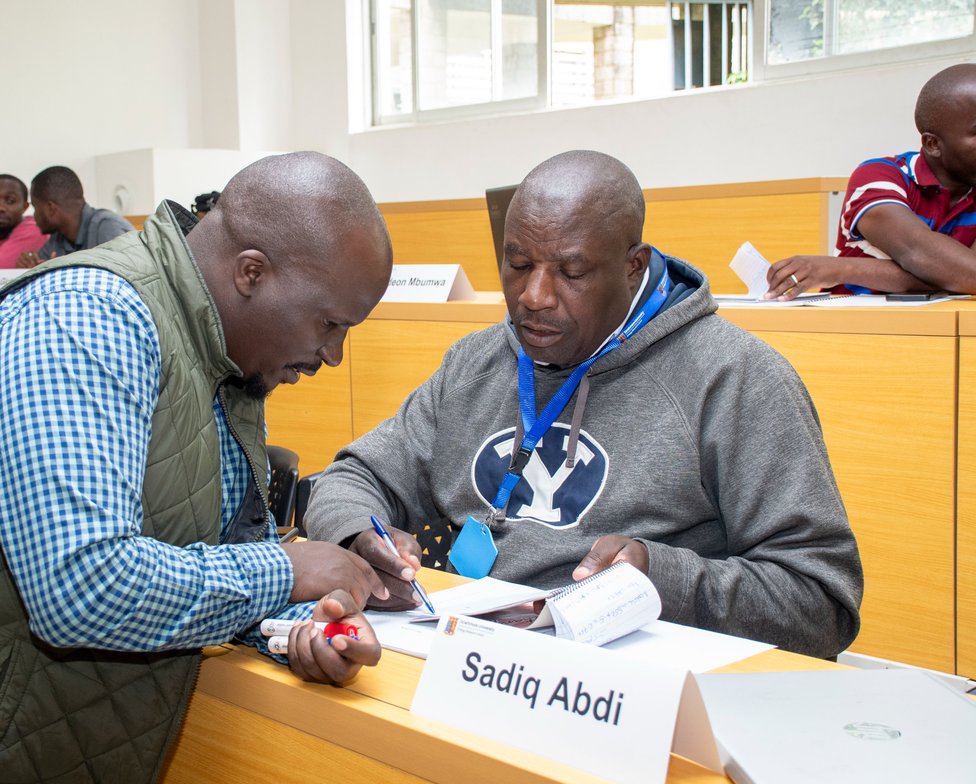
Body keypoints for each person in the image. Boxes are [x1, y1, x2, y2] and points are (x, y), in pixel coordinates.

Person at [0, 152, 394, 784]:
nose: (332, 355)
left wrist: (297, 627)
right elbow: (82, 586)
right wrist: (288, 570)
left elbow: (202, 559)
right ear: (251, 273)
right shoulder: (85, 316)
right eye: (330, 323)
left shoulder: (222, 361)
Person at [305, 150, 863, 660]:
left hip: (632, 688)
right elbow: (350, 477)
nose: (534, 296)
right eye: (518, 264)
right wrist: (359, 533)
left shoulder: (735, 378)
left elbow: (820, 604)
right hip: (471, 655)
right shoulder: (475, 363)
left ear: (634, 266)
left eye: (571, 273)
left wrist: (657, 579)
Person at [767, 63, 976, 298]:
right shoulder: (880, 175)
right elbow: (919, 252)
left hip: (945, 325)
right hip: (858, 325)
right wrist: (950, 275)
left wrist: (841, 268)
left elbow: (964, 275)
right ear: (932, 144)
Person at [15, 165, 134, 268]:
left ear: (51, 208)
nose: (34, 216)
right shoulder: (57, 239)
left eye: (35, 208)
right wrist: (31, 269)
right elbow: (40, 269)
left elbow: (125, 282)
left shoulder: (108, 228)